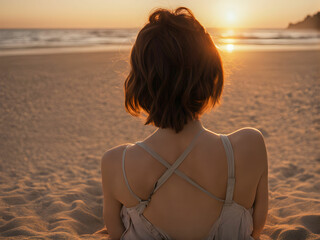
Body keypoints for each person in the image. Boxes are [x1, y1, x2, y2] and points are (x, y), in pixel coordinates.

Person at [99, 7, 268, 240]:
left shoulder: (116, 163)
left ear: (140, 83)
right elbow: (256, 228)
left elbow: (115, 235)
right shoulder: (250, 145)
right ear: (211, 75)